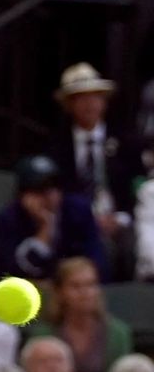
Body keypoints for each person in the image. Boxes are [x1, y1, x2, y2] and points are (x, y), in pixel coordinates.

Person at [47, 63, 148, 276]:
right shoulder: (56, 147)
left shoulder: (127, 142)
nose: (89, 104)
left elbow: (140, 187)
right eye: (81, 98)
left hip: (124, 220)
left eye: (95, 97)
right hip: (77, 223)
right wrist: (90, 218)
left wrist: (120, 218)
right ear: (69, 104)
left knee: (134, 244)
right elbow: (57, 193)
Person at [24, 257, 133, 372]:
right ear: (60, 292)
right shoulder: (44, 334)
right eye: (76, 286)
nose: (85, 293)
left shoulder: (118, 333)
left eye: (90, 285)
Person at [0, 155, 107, 283]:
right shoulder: (9, 219)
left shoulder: (77, 211)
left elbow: (96, 260)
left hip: (74, 288)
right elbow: (15, 271)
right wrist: (44, 232)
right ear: (24, 195)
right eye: (41, 190)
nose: (51, 196)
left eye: (55, 187)